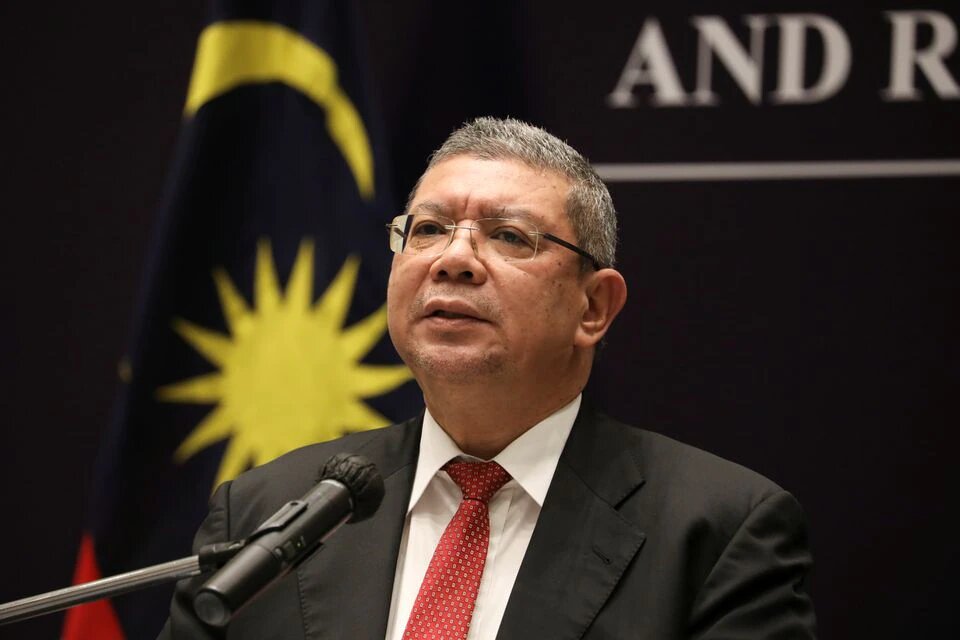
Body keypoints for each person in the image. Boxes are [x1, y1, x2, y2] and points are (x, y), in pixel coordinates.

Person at [160, 117, 817, 639]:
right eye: (429, 229)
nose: (454, 260)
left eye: (508, 236)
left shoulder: (716, 529)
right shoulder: (261, 510)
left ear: (593, 307)